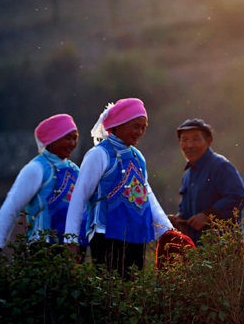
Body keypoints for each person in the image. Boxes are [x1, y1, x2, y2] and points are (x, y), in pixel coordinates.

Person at [64, 98, 175, 279]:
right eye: (135, 126)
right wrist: (71, 239)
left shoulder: (138, 157)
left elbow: (146, 195)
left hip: (135, 234)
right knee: (112, 292)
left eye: (143, 127)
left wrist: (166, 231)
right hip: (106, 235)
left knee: (131, 294)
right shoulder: (98, 154)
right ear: (118, 124)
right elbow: (79, 198)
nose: (140, 132)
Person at [0, 114, 87, 250]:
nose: (72, 143)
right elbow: (12, 206)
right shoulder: (36, 168)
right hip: (44, 246)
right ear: (52, 140)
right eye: (67, 138)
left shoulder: (74, 169)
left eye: (75, 138)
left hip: (73, 246)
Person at [172, 118, 244, 245]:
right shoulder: (188, 175)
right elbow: (184, 208)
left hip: (224, 251)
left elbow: (239, 197)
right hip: (198, 252)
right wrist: (178, 219)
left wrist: (208, 216)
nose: (189, 145)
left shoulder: (220, 166)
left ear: (208, 141)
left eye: (195, 139)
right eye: (184, 140)